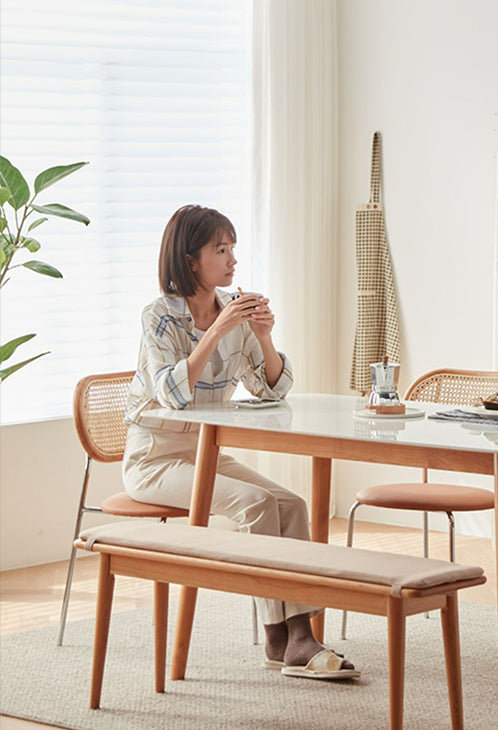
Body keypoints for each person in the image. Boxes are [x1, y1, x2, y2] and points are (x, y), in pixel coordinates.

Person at [122, 204, 357, 680]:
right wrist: (219, 330)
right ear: (191, 260)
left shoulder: (232, 309)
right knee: (255, 504)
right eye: (220, 250)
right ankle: (284, 636)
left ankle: (294, 636)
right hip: (154, 461)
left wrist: (263, 336)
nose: (232, 261)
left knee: (289, 503)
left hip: (205, 453)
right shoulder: (159, 317)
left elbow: (272, 387)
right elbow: (171, 392)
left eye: (233, 250)